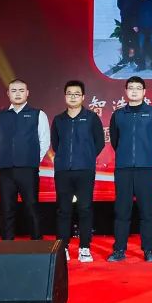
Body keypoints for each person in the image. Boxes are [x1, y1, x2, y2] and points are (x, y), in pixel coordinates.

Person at [108, 76, 152, 262]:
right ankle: (119, 250)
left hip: (145, 169)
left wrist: (149, 155)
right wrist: (126, 155)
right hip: (123, 169)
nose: (134, 91)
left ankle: (149, 250)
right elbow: (115, 140)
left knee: (147, 211)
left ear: (144, 92)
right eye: (131, 88)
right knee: (122, 211)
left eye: (138, 88)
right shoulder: (118, 115)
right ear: (126, 91)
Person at [51, 80, 105, 262]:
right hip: (63, 171)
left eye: (76, 94)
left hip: (85, 170)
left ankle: (84, 248)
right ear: (65, 96)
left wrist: (86, 157)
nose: (73, 97)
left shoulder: (91, 118)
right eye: (69, 93)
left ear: (83, 97)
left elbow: (99, 142)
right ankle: (63, 247)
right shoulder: (59, 120)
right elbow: (56, 144)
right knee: (63, 210)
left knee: (85, 208)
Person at [0, 79, 50, 241]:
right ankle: (7, 245)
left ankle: (37, 243)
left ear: (27, 93)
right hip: (5, 170)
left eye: (21, 90)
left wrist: (32, 160)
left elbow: (44, 141)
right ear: (8, 94)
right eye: (14, 90)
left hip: (28, 169)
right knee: (6, 209)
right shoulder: (0, 115)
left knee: (31, 207)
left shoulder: (38, 114)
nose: (17, 94)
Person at [116, 0, 144, 69]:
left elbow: (142, 7)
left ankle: (136, 59)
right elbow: (119, 5)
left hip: (136, 22)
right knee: (125, 41)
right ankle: (125, 59)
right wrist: (127, 13)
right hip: (125, 21)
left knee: (136, 41)